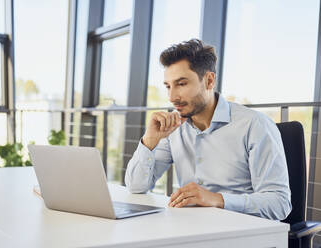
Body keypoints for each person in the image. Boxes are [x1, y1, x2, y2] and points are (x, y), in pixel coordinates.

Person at [125, 39, 292, 220]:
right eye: (168, 86)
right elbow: (136, 187)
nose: (172, 97)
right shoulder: (173, 129)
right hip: (192, 228)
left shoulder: (254, 125)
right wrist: (150, 140)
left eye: (181, 84)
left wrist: (217, 199)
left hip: (241, 232)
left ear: (209, 80)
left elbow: (280, 203)